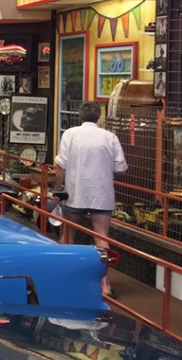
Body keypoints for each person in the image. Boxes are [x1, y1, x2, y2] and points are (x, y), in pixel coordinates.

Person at [54, 101, 127, 298]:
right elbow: (121, 167)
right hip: (101, 195)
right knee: (102, 238)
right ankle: (105, 286)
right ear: (98, 117)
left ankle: (65, 279)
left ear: (80, 116)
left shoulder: (70, 134)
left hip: (75, 193)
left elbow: (61, 166)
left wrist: (57, 190)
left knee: (68, 235)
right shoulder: (109, 137)